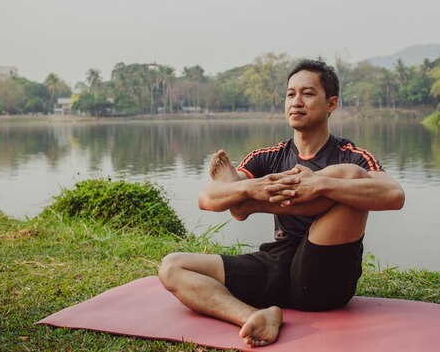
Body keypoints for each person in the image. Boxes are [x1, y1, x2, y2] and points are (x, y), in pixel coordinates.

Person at [158, 59, 405, 347]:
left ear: (331, 103)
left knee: (350, 176)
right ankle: (256, 316)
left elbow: (394, 195)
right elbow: (208, 199)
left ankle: (251, 204)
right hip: (277, 261)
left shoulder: (351, 155)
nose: (296, 102)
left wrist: (321, 183)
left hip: (323, 277)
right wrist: (254, 186)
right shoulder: (269, 156)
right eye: (291, 94)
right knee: (172, 267)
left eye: (308, 94)